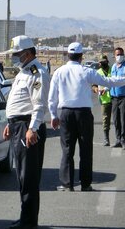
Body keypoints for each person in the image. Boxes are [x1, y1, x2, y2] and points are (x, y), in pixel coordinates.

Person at [48, 42, 125, 193]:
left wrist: (53, 115)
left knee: (67, 150)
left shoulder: (59, 72)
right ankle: (85, 184)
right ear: (81, 56)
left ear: (68, 55)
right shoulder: (86, 71)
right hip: (83, 114)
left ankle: (67, 184)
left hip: (66, 114)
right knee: (86, 150)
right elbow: (108, 82)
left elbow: (52, 97)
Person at [2, 35, 50, 229]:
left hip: (27, 128)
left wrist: (32, 128)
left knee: (28, 175)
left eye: (17, 54)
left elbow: (39, 104)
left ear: (28, 53)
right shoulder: (24, 72)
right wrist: (9, 123)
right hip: (18, 126)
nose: (14, 57)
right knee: (22, 175)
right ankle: (26, 216)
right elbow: (18, 102)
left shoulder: (37, 73)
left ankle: (29, 220)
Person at [92, 55, 112, 146]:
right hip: (104, 100)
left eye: (103, 62)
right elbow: (94, 86)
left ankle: (120, 138)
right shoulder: (98, 72)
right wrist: (97, 90)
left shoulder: (113, 70)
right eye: (100, 62)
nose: (101, 63)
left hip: (115, 98)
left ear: (107, 62)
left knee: (119, 119)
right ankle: (106, 138)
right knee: (105, 119)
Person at [110, 47, 125, 149]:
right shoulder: (113, 67)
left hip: (123, 97)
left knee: (123, 119)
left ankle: (124, 140)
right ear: (114, 56)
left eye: (120, 54)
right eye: (117, 54)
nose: (119, 56)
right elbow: (111, 81)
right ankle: (118, 139)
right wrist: (105, 89)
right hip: (114, 97)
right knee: (116, 120)